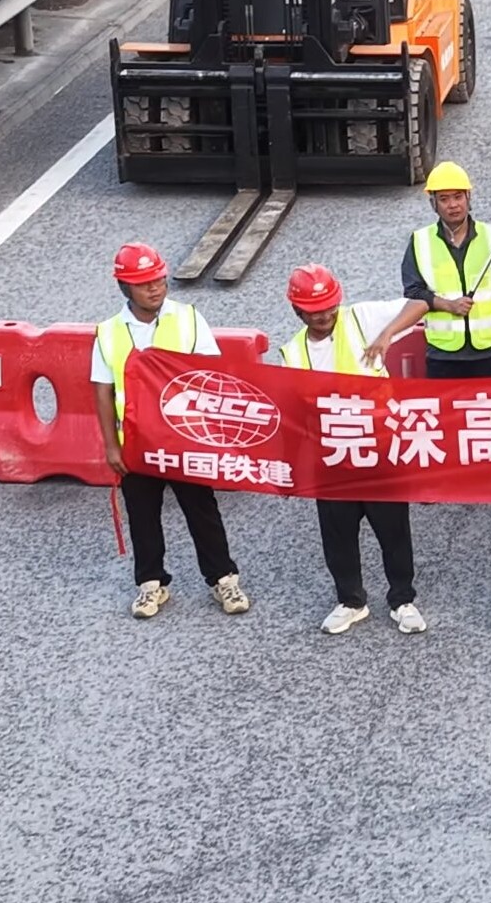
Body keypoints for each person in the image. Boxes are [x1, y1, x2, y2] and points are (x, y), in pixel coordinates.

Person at [93, 242, 245, 621]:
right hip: (138, 446)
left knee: (202, 510)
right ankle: (150, 584)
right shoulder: (109, 332)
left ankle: (223, 578)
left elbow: (211, 377)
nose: (156, 288)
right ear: (125, 288)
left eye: (159, 279)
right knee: (143, 515)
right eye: (144, 283)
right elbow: (102, 389)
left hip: (184, 441)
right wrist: (111, 447)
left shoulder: (189, 319)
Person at [276, 264, 422, 636]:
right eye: (314, 310)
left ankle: (402, 599)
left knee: (394, 532)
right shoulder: (292, 353)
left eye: (329, 307)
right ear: (297, 311)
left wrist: (388, 335)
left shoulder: (361, 319)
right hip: (333, 461)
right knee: (338, 536)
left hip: (378, 453)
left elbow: (421, 303)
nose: (324, 316)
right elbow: (292, 417)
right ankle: (351, 601)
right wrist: (291, 470)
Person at [368, 161, 491, 378]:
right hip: (443, 355)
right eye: (444, 199)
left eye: (458, 196)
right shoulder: (421, 241)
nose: (453, 205)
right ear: (434, 204)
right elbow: (413, 292)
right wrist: (448, 306)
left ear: (469, 198)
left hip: (488, 352)